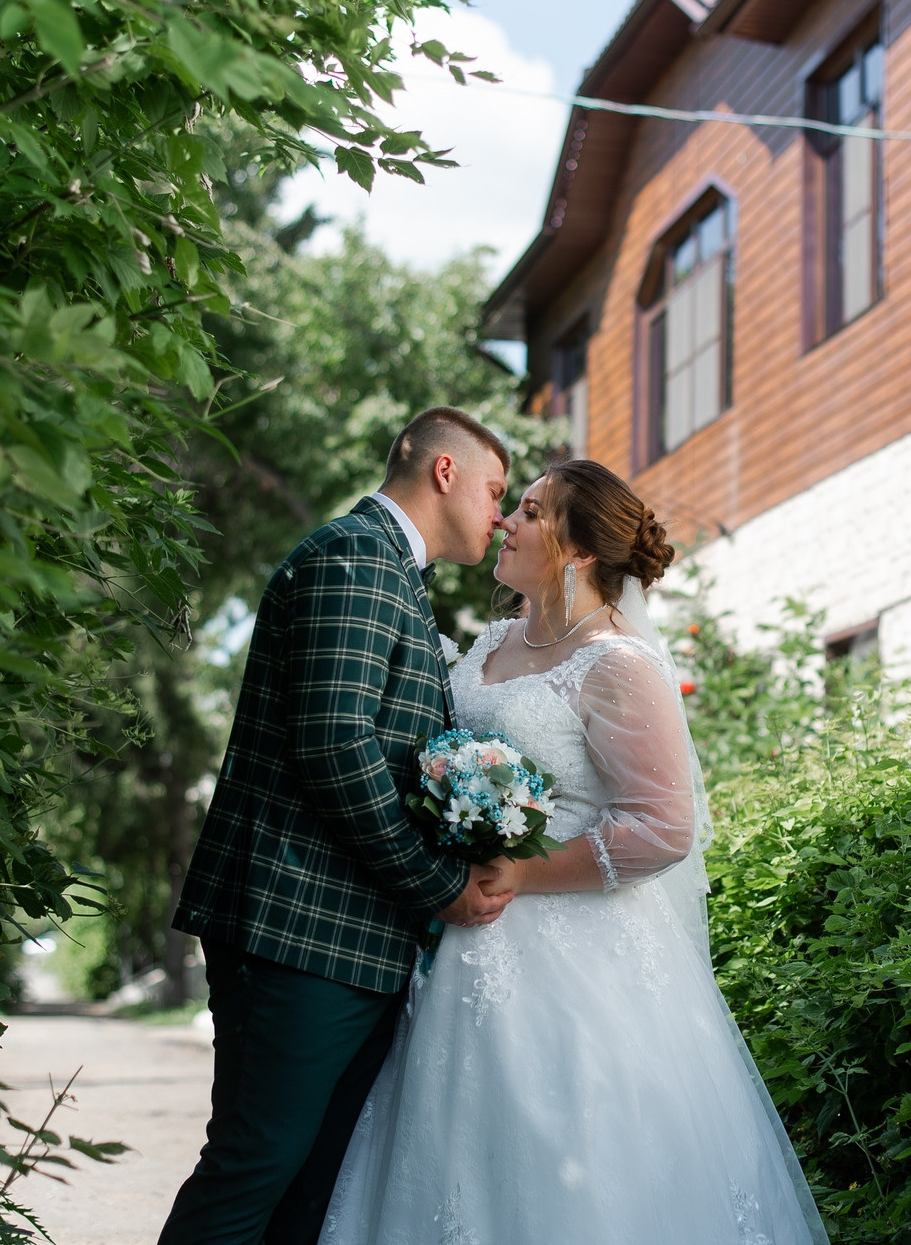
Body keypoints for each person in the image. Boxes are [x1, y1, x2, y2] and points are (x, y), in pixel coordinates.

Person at [319, 459, 829, 1245]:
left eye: (528, 511)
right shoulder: (491, 639)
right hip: (459, 939)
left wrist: (524, 869)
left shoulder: (618, 663)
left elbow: (662, 825)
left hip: (579, 959)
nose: (506, 522)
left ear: (580, 549)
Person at [157, 408, 517, 1245]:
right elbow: (335, 747)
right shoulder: (355, 560)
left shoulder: (392, 573)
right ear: (443, 472)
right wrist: (440, 886)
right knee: (254, 1171)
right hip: (296, 932)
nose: (499, 514)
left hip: (350, 940)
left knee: (308, 1193)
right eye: (496, 490)